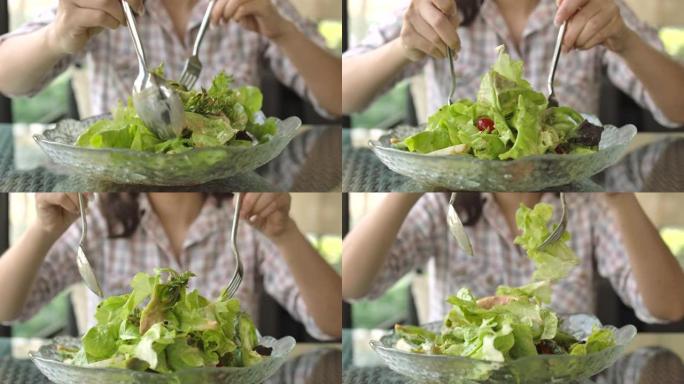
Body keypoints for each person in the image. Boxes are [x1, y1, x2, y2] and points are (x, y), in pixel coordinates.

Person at [0, 192, 342, 340]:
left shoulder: (245, 220)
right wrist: (44, 231)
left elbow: (333, 323)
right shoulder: (97, 219)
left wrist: (286, 233)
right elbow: (8, 309)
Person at [342, 193, 684, 324]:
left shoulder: (586, 206)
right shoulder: (442, 206)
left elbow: (668, 306)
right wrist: (409, 184)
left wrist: (620, 197)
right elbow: (352, 285)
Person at [342, 0, 684, 126]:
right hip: (461, 195)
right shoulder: (437, 8)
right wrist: (405, 47)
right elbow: (342, 93)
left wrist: (625, 41)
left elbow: (678, 110)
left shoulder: (595, 7)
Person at [0, 0, 341, 117]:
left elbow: (339, 99)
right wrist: (55, 36)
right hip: (124, 185)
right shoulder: (105, 4)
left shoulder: (256, 4)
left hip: (228, 181)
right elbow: (8, 78)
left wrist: (283, 31)